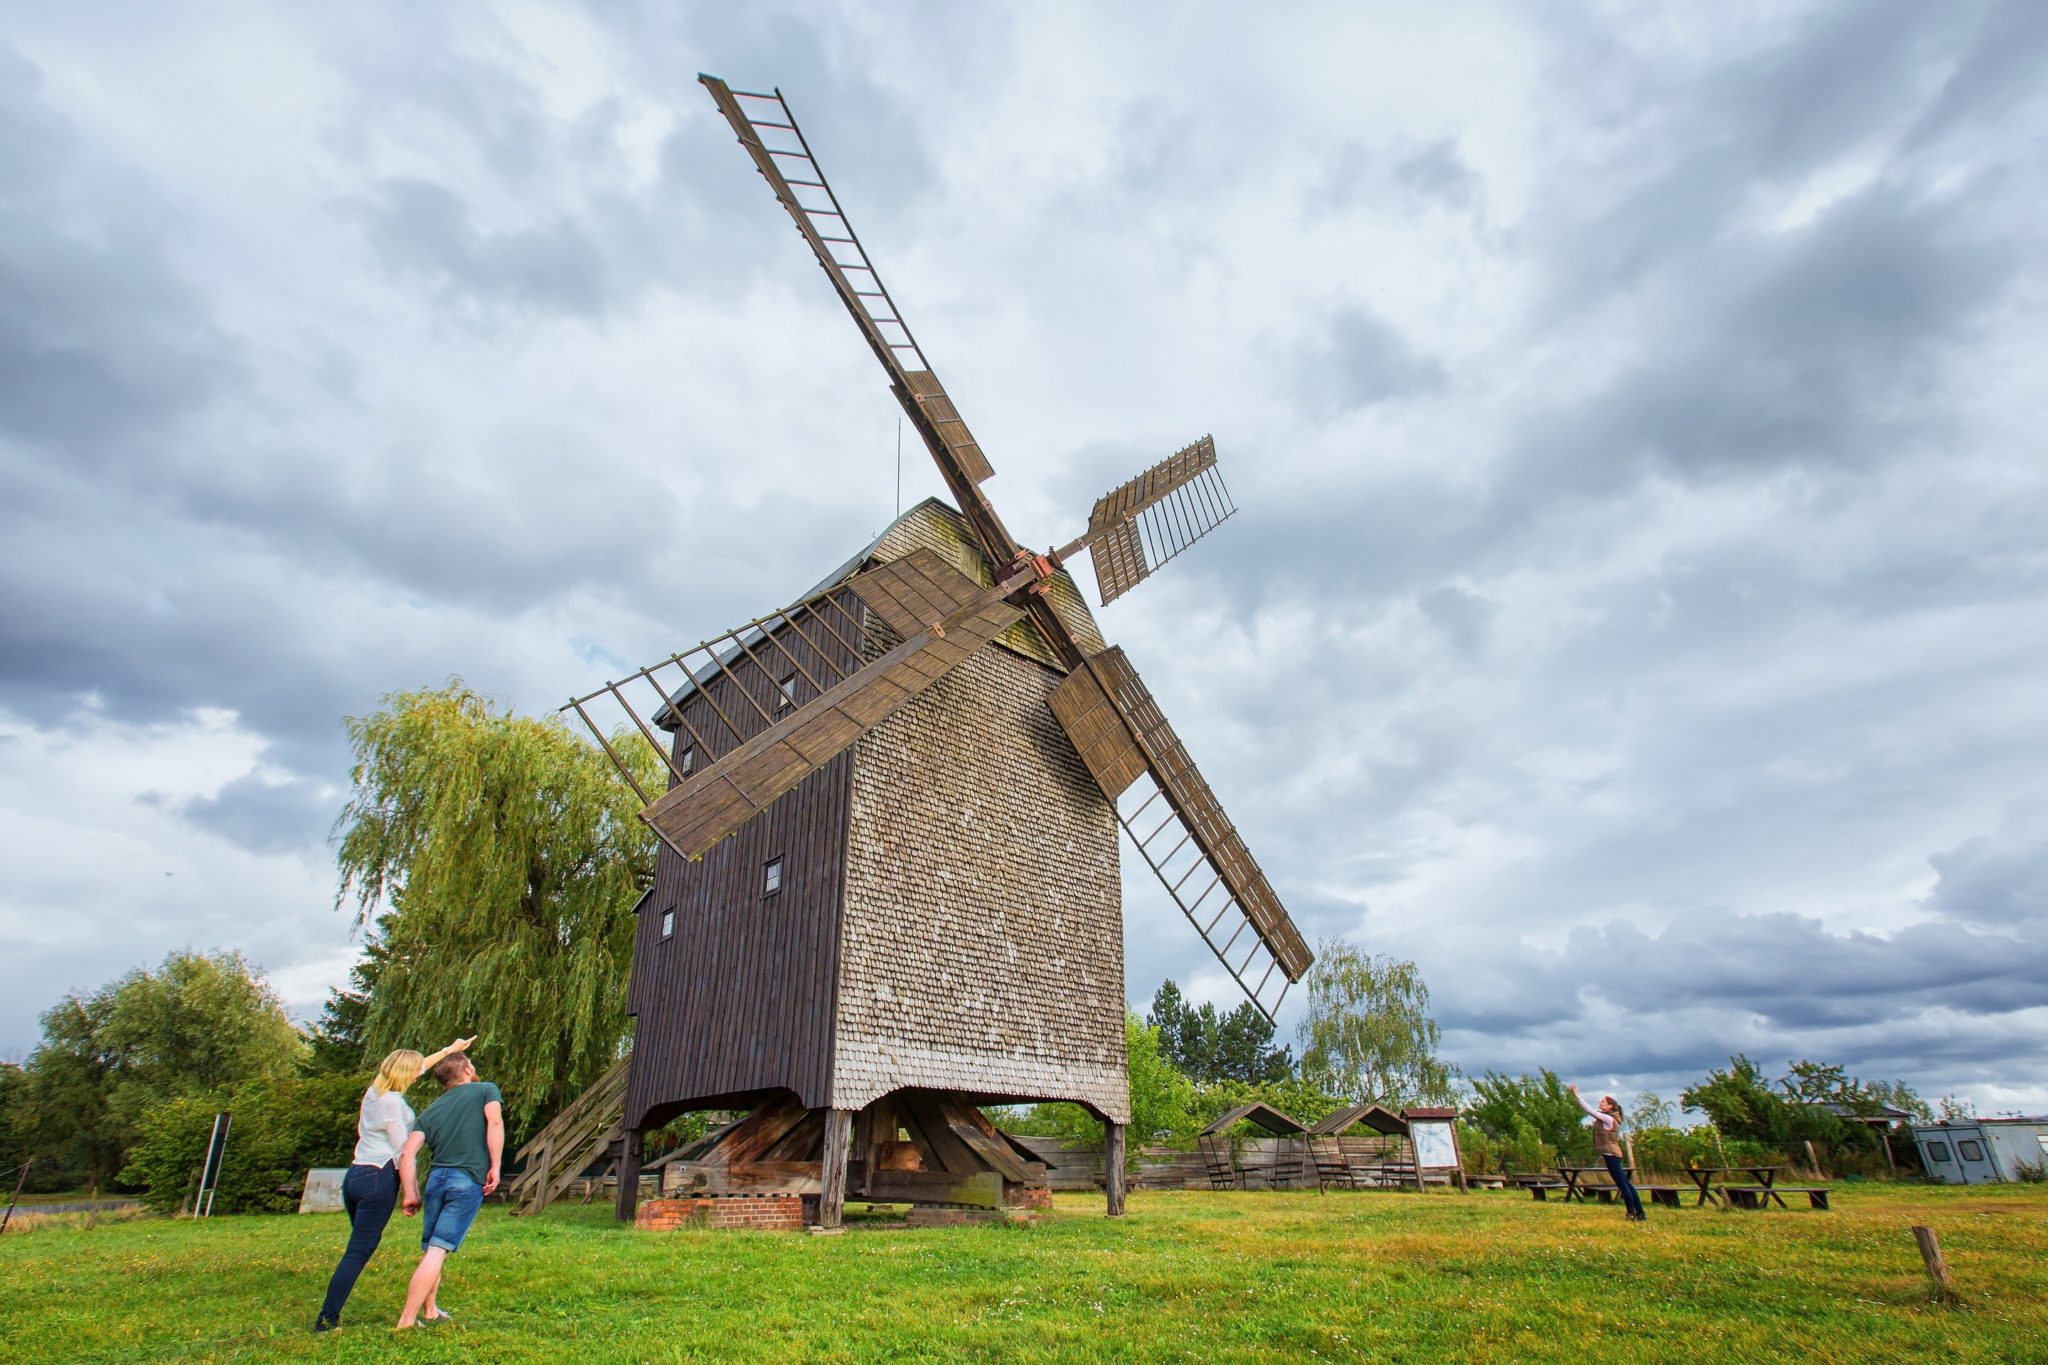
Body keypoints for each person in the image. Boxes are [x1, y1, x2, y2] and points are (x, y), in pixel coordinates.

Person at [314, 1036, 474, 1332]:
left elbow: (420, 1065)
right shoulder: (392, 1104)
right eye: (414, 1071)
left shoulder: (374, 1092)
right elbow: (404, 1153)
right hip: (378, 1178)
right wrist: (411, 1193)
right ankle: (327, 1319)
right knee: (358, 1251)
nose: (418, 1073)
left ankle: (331, 1314)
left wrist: (449, 1050)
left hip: (356, 1175)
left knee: (359, 1247)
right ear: (404, 1073)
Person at [394, 1052, 504, 1329]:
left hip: (436, 1180)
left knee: (433, 1247)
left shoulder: (430, 1111)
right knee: (437, 1251)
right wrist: (496, 1165)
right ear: (467, 1070)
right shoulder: (485, 1089)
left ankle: (430, 1311)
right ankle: (406, 1320)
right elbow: (494, 1122)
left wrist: (411, 1193)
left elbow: (407, 1153)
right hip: (465, 1179)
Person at [1569, 1082, 1644, 1221]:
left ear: (1610, 1106)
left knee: (1622, 1185)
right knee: (1626, 1184)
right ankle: (1640, 1212)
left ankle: (1631, 1213)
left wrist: (1577, 1096)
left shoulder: (1608, 1118)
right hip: (1613, 1155)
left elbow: (1590, 1111)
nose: (1600, 1102)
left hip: (1612, 1155)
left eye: (1603, 1101)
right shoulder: (1609, 1117)